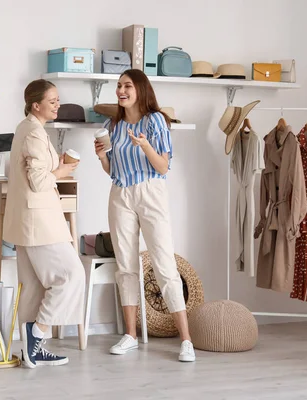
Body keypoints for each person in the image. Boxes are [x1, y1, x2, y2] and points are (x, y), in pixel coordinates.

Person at [94, 69, 196, 362]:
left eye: (126, 85)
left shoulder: (156, 121)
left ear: (140, 89)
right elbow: (114, 170)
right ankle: (130, 335)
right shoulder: (112, 125)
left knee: (164, 264)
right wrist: (102, 156)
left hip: (151, 192)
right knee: (126, 265)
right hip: (120, 193)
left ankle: (185, 340)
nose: (120, 91)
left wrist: (146, 145)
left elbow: (163, 166)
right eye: (118, 86)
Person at [3, 79, 86, 369]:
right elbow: (39, 182)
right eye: (52, 101)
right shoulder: (35, 134)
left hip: (28, 221)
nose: (58, 105)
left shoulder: (27, 128)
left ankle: (31, 351)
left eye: (58, 100)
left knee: (35, 287)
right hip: (39, 221)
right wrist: (61, 171)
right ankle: (37, 333)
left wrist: (56, 166)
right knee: (72, 274)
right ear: (36, 105)